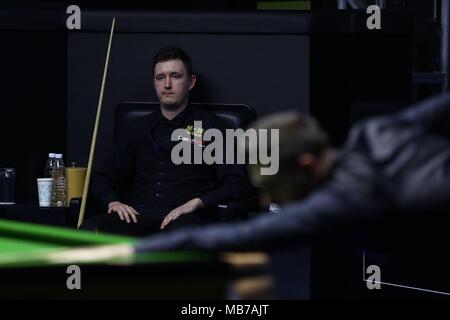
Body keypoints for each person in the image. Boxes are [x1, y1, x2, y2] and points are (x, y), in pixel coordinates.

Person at [132, 92, 450, 252]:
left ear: (306, 165)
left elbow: (231, 238)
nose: (272, 198)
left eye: (278, 186)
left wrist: (132, 251)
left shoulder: (342, 201)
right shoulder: (374, 131)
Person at [81, 46, 250, 236]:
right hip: (138, 217)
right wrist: (113, 202)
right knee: (90, 231)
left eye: (175, 76)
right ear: (155, 83)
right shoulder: (136, 128)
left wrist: (197, 202)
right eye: (160, 77)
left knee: (183, 239)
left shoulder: (213, 127)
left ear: (191, 82)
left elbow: (237, 181)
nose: (167, 84)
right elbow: (102, 177)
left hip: (187, 219)